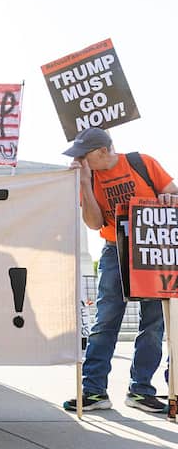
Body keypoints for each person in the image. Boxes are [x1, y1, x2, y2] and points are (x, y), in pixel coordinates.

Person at [62, 127, 178, 413]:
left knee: (153, 323)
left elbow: (173, 194)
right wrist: (86, 183)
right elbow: (93, 222)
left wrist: (169, 199)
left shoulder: (142, 163)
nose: (80, 161)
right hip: (115, 250)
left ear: (103, 151)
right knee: (106, 320)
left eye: (84, 156)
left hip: (152, 251)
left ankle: (140, 390)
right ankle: (93, 390)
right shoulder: (88, 177)